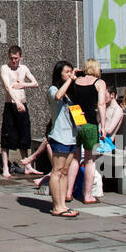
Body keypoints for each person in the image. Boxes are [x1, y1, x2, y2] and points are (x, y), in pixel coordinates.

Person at [67, 59, 107, 203]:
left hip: (77, 121)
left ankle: (68, 192)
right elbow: (101, 104)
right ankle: (88, 195)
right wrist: (103, 125)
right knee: (90, 160)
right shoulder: (99, 83)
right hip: (90, 122)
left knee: (76, 158)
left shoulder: (76, 81)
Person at [44, 61, 80, 218]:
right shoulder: (54, 89)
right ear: (59, 74)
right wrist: (70, 80)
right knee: (57, 171)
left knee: (65, 171)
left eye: (71, 71)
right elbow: (57, 96)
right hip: (59, 137)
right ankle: (56, 206)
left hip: (71, 136)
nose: (69, 74)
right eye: (66, 72)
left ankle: (63, 204)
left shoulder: (69, 93)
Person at [0, 45, 39, 178]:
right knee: (7, 136)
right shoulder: (5, 68)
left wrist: (23, 84)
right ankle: (5, 167)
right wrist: (16, 102)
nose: (14, 61)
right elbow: (7, 87)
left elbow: (35, 83)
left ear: (20, 57)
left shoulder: (24, 68)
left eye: (16, 58)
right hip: (11, 104)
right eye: (11, 58)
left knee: (24, 134)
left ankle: (27, 165)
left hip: (22, 104)